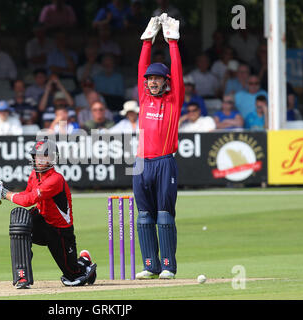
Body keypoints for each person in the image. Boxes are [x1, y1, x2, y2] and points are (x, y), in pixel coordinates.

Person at [0, 138, 97, 288]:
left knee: (73, 277)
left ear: (52, 158)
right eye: (38, 156)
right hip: (41, 218)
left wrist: (4, 193)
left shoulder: (55, 180)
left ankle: (84, 261)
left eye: (45, 156)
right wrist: (0, 191)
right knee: (19, 224)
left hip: (59, 229)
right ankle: (22, 277)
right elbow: (26, 194)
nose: (40, 160)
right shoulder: (34, 175)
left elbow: (29, 200)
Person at [134, 14, 184, 280]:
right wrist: (146, 42)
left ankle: (167, 266)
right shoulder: (143, 97)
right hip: (141, 163)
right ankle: (150, 265)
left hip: (165, 162)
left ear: (166, 81)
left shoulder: (174, 100)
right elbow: (141, 66)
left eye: (157, 78)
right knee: (144, 216)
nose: (152, 82)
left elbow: (176, 72)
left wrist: (172, 42)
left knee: (164, 215)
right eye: (149, 78)